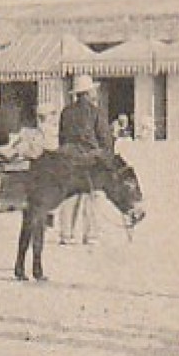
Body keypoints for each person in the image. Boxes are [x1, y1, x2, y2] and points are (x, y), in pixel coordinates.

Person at [57, 74, 112, 245]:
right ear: (88, 93)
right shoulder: (96, 112)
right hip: (90, 160)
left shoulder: (66, 112)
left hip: (69, 158)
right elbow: (105, 139)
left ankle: (66, 234)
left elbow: (62, 138)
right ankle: (91, 235)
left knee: (69, 196)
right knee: (92, 196)